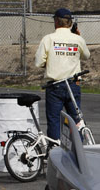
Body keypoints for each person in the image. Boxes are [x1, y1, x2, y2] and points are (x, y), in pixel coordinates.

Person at [34, 8, 90, 140]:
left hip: (55, 85)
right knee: (76, 119)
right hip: (73, 83)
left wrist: (48, 63)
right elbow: (86, 55)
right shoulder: (77, 39)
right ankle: (78, 150)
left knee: (54, 119)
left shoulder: (48, 39)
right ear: (70, 23)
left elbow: (38, 63)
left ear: (56, 21)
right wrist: (78, 37)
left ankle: (55, 148)